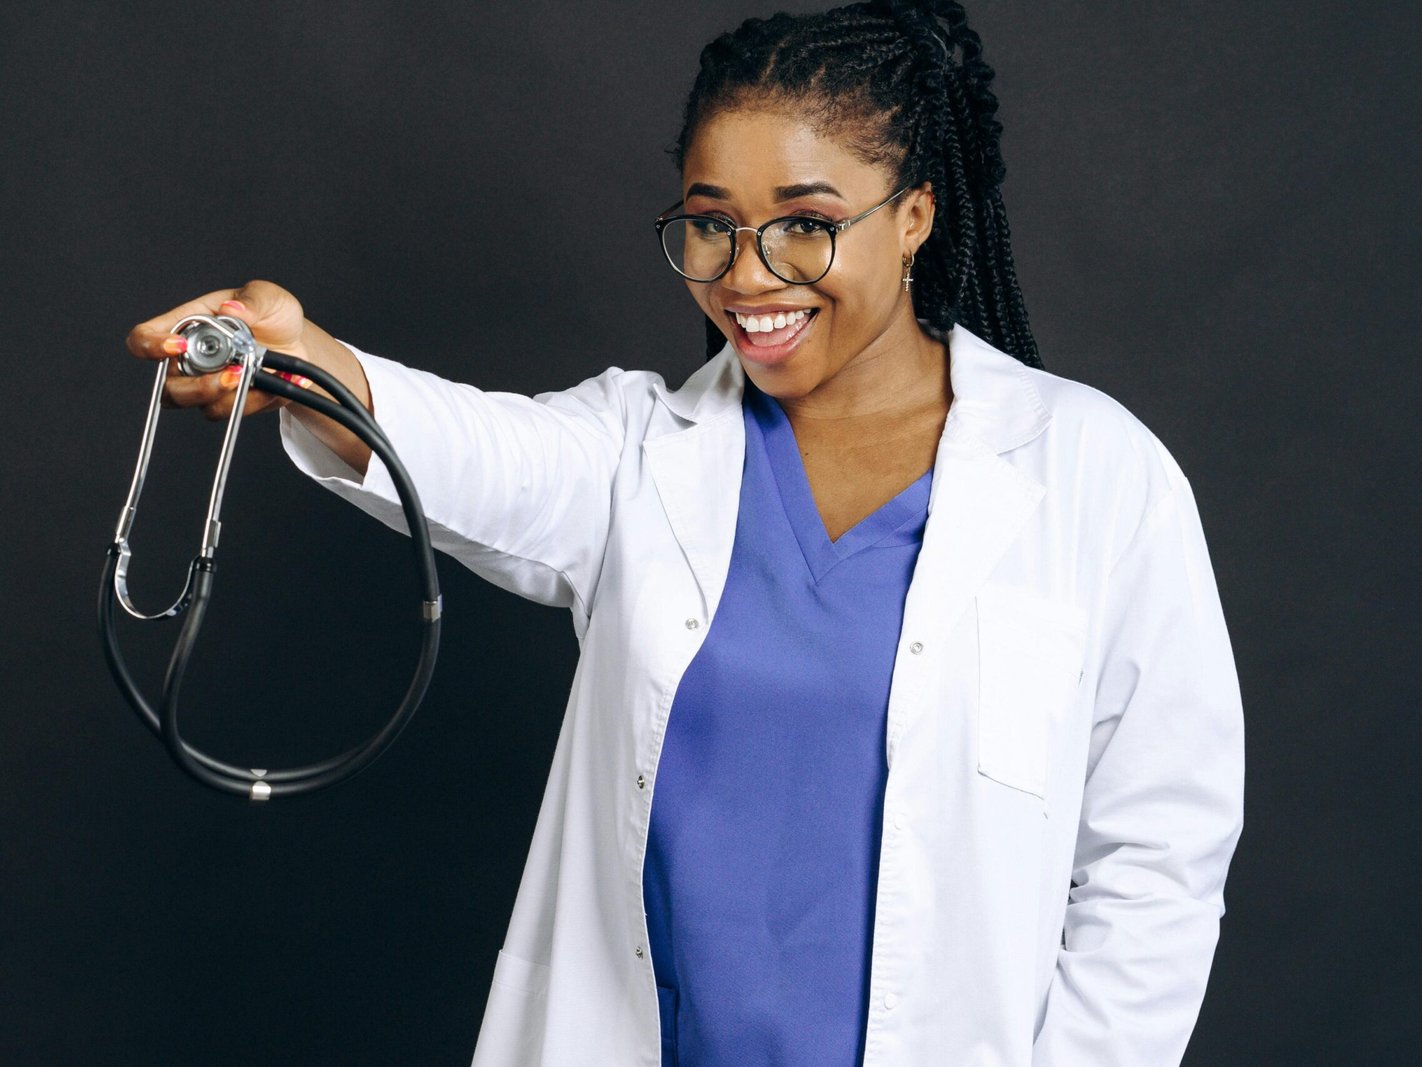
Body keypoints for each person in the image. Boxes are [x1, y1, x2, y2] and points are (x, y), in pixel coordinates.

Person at [126, 1, 1244, 1063]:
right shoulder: (645, 453)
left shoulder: (1092, 475)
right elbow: (478, 451)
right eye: (711, 224)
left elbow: (1157, 860)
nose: (749, 276)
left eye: (805, 226)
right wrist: (309, 363)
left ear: (914, 214)